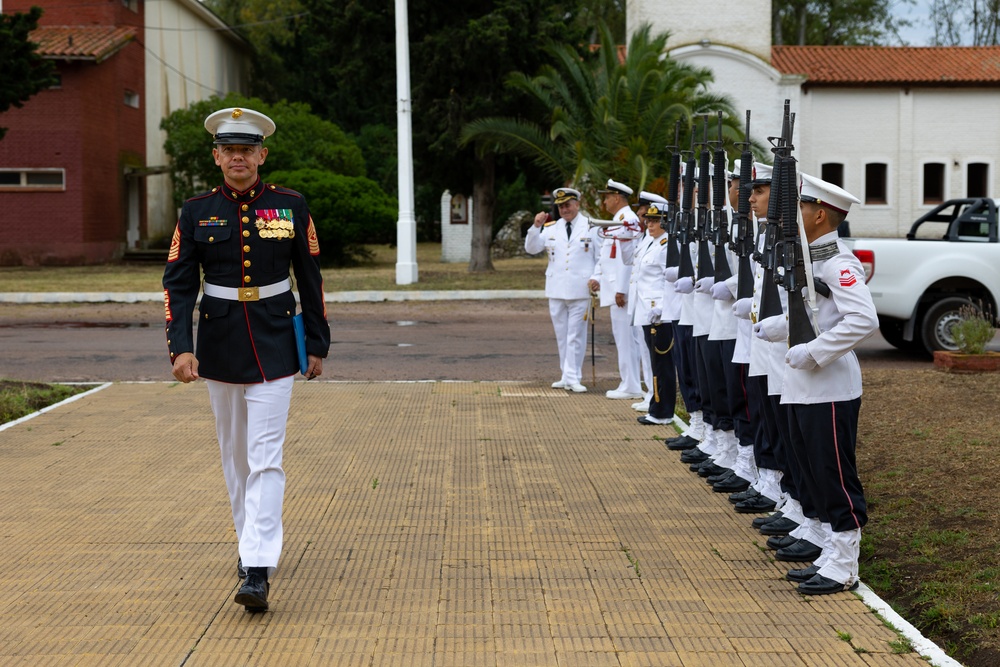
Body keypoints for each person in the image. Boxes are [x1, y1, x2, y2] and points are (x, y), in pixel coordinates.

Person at [162, 107, 331, 612]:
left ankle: (257, 567)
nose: (238, 157)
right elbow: (178, 285)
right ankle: (247, 544)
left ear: (262, 154)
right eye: (229, 150)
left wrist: (317, 343)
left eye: (247, 149)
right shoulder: (195, 211)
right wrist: (180, 345)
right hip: (218, 342)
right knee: (235, 457)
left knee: (265, 457)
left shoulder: (291, 206)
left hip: (277, 339)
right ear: (217, 157)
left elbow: (311, 278)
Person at [757, 173, 877, 594]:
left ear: (820, 213)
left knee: (833, 475)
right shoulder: (812, 259)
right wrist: (778, 327)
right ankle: (827, 548)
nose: (793, 215)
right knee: (808, 471)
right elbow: (811, 314)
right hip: (801, 385)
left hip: (828, 386)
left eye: (801, 208)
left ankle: (845, 563)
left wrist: (815, 351)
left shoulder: (837, 263)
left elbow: (863, 320)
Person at [525, 187, 598, 393]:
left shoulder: (590, 226)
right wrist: (535, 227)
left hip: (580, 289)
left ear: (577, 204)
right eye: (560, 206)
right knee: (562, 335)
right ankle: (566, 375)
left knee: (576, 334)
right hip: (556, 289)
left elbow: (599, 257)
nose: (564, 209)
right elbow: (531, 248)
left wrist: (596, 278)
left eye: (567, 205)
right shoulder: (551, 227)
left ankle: (574, 376)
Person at [588, 179, 643, 399]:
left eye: (607, 196)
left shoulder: (627, 220)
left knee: (627, 338)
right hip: (614, 288)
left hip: (621, 291)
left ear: (617, 197)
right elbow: (607, 255)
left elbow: (627, 259)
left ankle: (631, 385)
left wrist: (622, 289)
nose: (604, 201)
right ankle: (628, 382)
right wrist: (597, 277)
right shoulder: (618, 219)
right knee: (623, 338)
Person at [630, 201, 678, 425]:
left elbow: (670, 281)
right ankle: (656, 406)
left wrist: (662, 307)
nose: (650, 224)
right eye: (648, 219)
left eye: (656, 220)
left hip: (659, 314)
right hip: (646, 311)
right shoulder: (651, 242)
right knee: (654, 362)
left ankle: (663, 411)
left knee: (662, 364)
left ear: (666, 221)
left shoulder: (667, 245)